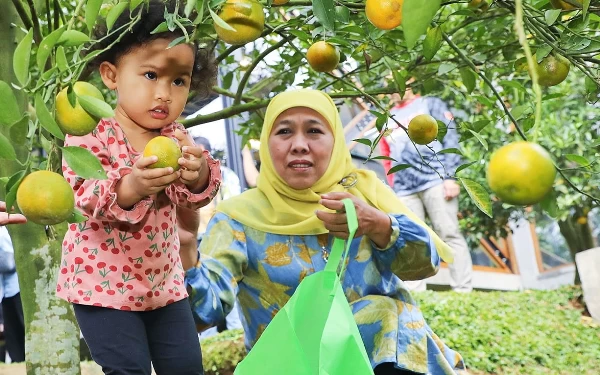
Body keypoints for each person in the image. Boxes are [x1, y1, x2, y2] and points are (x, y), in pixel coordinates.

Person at [182, 89, 465, 374]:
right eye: (284, 132)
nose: (299, 145)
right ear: (267, 145)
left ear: (336, 143)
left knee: (385, 313)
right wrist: (184, 248)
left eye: (314, 131)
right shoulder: (238, 218)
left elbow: (424, 264)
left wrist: (379, 225)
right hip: (291, 366)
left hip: (381, 364)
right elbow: (201, 314)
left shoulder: (365, 196)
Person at [56, 1, 221, 374]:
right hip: (101, 287)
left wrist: (196, 176)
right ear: (112, 76)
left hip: (164, 286)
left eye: (178, 80)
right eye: (151, 75)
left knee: (186, 367)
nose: (164, 93)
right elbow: (81, 195)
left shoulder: (176, 136)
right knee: (127, 369)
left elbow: (195, 195)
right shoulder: (90, 130)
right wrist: (131, 185)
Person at [380, 88, 473, 293]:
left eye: (394, 84)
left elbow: (450, 137)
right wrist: (393, 186)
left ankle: (463, 289)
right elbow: (386, 154)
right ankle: (415, 291)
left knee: (448, 232)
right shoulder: (387, 117)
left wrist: (450, 176)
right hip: (404, 188)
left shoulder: (429, 104)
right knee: (411, 239)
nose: (390, 90)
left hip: (436, 179)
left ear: (408, 83)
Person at [0, 227, 25, 363]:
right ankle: (17, 360)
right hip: (5, 290)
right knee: (11, 328)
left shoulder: (5, 231)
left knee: (23, 324)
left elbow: (8, 263)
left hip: (17, 286)